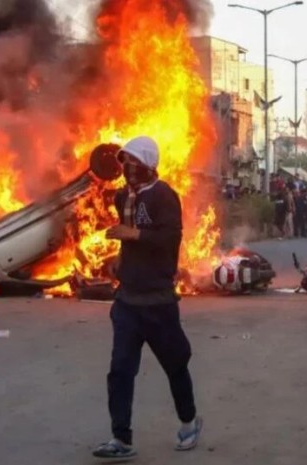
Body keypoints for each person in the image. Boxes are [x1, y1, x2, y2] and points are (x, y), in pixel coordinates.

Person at [95, 136, 203, 460]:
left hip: (158, 303)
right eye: (123, 161)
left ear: (148, 165)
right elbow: (129, 239)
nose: (126, 167)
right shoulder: (121, 197)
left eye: (132, 161)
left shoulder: (164, 196)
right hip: (128, 302)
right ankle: (121, 439)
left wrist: (135, 235)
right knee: (120, 370)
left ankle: (189, 421)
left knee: (175, 365)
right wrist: (120, 257)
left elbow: (170, 238)